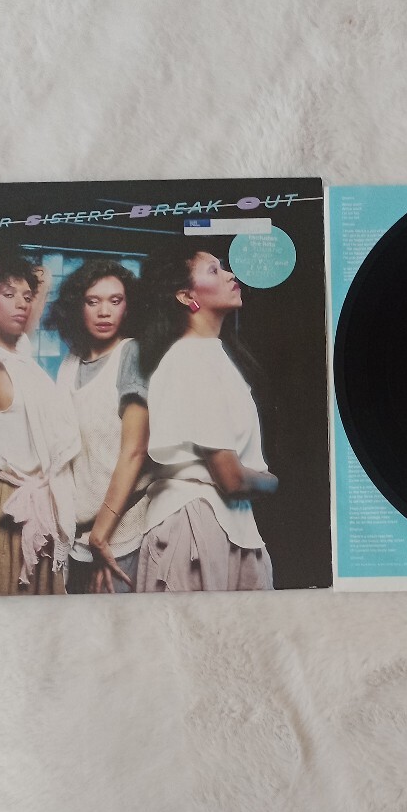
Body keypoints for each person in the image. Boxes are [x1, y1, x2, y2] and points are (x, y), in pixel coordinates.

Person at [137, 245, 277, 591]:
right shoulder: (191, 359)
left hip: (230, 524)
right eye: (214, 270)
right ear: (187, 296)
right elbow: (230, 478)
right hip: (195, 524)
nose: (231, 275)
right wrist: (271, 481)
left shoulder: (212, 355)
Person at [0, 243, 80, 596]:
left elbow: (42, 276)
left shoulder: (20, 352)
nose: (23, 303)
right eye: (8, 295)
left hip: (42, 505)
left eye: (26, 297)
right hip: (10, 506)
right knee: (10, 615)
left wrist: (21, 285)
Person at [46, 260, 150, 593]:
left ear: (128, 307)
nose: (104, 311)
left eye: (115, 301)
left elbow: (135, 452)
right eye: (93, 301)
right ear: (78, 307)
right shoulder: (70, 363)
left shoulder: (131, 353)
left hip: (122, 530)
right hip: (77, 536)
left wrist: (101, 536)